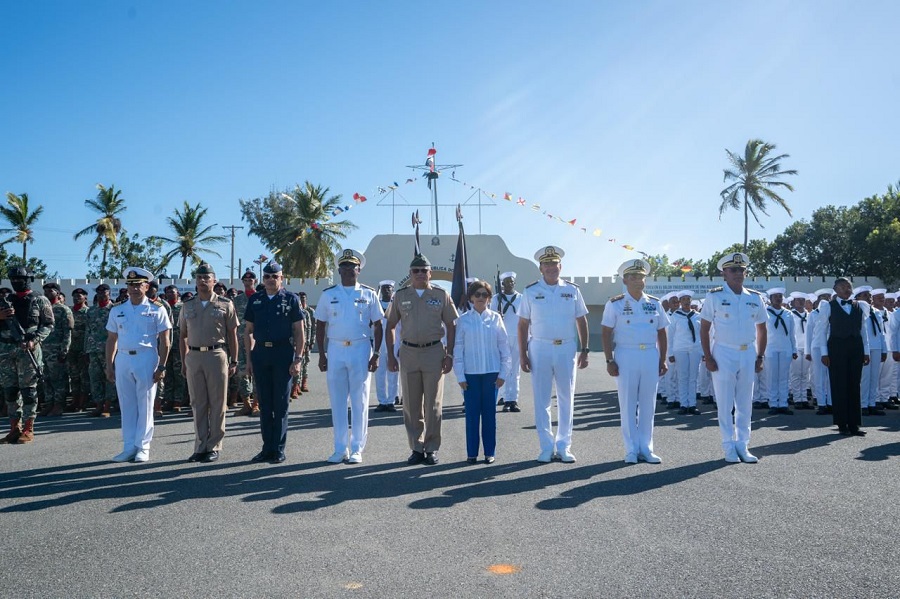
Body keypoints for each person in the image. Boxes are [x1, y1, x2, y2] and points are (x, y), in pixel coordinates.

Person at [385, 254, 459, 466]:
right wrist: (391, 354)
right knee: (411, 404)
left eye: (423, 270)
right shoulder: (400, 296)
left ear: (430, 273)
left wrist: (450, 354)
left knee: (433, 405)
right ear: (410, 274)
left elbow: (451, 326)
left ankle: (432, 448)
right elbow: (390, 325)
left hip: (434, 352)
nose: (419, 274)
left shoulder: (440, 295)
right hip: (408, 353)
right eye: (415, 271)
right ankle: (416, 448)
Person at [519, 246, 590, 463]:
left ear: (561, 266)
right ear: (540, 268)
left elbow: (582, 320)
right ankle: (546, 447)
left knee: (566, 397)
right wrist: (523, 354)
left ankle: (564, 446)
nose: (551, 268)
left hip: (566, 347)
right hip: (539, 347)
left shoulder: (572, 290)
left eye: (554, 264)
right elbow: (522, 325)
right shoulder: (530, 291)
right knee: (542, 399)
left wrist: (585, 349)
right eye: (546, 264)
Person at [315, 249, 383, 464]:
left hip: (360, 349)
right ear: (339, 270)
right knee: (337, 400)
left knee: (360, 400)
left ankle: (357, 448)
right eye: (344, 267)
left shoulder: (368, 294)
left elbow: (378, 325)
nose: (348, 270)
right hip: (335, 349)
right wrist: (322, 354)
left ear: (359, 270)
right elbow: (320, 324)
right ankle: (339, 447)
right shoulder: (328, 294)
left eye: (352, 267)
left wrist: (377, 353)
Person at [699, 252, 767, 463]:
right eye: (733, 270)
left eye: (741, 270)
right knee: (725, 401)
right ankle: (728, 445)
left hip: (748, 352)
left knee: (745, 401)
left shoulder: (754, 297)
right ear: (724, 274)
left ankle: (743, 445)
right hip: (724, 352)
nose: (738, 273)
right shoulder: (715, 296)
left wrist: (760, 355)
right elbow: (704, 329)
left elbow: (762, 329)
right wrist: (708, 356)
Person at [601, 259, 668, 464]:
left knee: (648, 404)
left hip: (649, 354)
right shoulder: (615, 303)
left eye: (641, 276)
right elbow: (606, 332)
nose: (638, 280)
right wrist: (609, 360)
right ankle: (631, 448)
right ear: (625, 280)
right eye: (633, 277)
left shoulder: (654, 303)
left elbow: (662, 332)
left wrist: (662, 359)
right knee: (628, 403)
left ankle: (646, 447)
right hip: (626, 355)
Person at [105, 267, 172, 462]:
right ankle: (128, 446)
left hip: (146, 357)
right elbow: (111, 339)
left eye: (138, 285)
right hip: (123, 358)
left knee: (146, 403)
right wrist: (109, 365)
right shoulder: (117, 310)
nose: (134, 288)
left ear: (147, 286)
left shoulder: (157, 308)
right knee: (127, 405)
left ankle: (143, 447)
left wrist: (162, 366)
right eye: (130, 285)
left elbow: (165, 340)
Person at [243, 261, 305, 464]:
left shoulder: (291, 299)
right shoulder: (256, 300)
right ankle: (266, 448)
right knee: (264, 402)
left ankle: (278, 448)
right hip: (261, 353)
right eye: (267, 276)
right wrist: (250, 360)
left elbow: (299, 332)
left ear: (282, 278)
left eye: (274, 276)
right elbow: (248, 331)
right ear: (263, 278)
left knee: (280, 404)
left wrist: (297, 359)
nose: (270, 279)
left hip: (282, 353)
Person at [179, 264, 239, 463]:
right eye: (199, 277)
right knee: (198, 403)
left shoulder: (225, 304)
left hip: (216, 355)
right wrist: (184, 360)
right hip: (194, 357)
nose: (203, 281)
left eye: (207, 277)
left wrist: (234, 360)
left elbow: (232, 335)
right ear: (195, 281)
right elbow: (182, 336)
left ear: (214, 281)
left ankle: (214, 445)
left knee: (217, 403)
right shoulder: (187, 306)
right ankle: (200, 446)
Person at [454, 281, 510, 464]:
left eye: (484, 295)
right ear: (470, 297)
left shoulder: (495, 318)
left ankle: (489, 452)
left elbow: (504, 348)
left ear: (489, 298)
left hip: (491, 374)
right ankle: (471, 453)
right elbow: (458, 350)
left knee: (489, 415)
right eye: (477, 294)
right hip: (470, 375)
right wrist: (460, 376)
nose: (480, 298)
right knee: (471, 416)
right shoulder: (462, 320)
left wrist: (503, 374)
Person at [0, 267, 54, 445]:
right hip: (7, 351)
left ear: (29, 279)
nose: (16, 281)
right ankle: (14, 428)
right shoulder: (6, 300)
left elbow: (48, 325)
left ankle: (28, 428)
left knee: (28, 391)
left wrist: (35, 340)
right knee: (10, 391)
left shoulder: (40, 299)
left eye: (20, 278)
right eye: (13, 278)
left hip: (28, 350)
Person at [813, 278, 870, 436]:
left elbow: (863, 330)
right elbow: (821, 330)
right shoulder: (828, 306)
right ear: (836, 289)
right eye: (843, 287)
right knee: (839, 385)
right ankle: (841, 423)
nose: (847, 289)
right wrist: (824, 353)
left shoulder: (859, 306)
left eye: (849, 287)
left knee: (854, 385)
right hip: (837, 348)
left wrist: (867, 352)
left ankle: (854, 424)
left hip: (856, 348)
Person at [38, 282, 73, 417]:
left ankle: (58, 405)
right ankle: (49, 403)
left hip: (56, 350)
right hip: (43, 349)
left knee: (58, 378)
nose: (47, 293)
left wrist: (64, 350)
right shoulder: (43, 309)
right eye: (45, 291)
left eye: (50, 290)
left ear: (58, 293)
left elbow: (67, 332)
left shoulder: (64, 310)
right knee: (45, 378)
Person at [493, 271, 523, 412]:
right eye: (506, 282)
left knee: (515, 369)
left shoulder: (521, 298)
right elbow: (492, 319)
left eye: (511, 281)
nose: (509, 284)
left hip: (517, 336)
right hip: (501, 337)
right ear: (502, 284)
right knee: (503, 368)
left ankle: (513, 399)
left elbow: (526, 319)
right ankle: (504, 396)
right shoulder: (496, 299)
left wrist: (527, 338)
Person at [85, 284, 117, 417]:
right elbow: (88, 331)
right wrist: (85, 349)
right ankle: (98, 405)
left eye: (104, 291)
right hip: (93, 350)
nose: (102, 294)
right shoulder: (91, 311)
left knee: (109, 377)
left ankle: (108, 406)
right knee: (95, 377)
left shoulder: (115, 309)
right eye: (99, 292)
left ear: (109, 293)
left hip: (109, 350)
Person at [668, 290, 702, 415]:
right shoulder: (675, 316)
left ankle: (692, 404)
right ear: (680, 302)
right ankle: (683, 404)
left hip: (695, 349)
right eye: (684, 299)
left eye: (688, 299)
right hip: (680, 349)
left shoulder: (697, 315)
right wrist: (670, 353)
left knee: (693, 377)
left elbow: (702, 335)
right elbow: (670, 336)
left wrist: (703, 351)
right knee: (682, 377)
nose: (687, 302)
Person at [764, 287, 797, 415]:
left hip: (785, 348)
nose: (778, 298)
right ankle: (773, 403)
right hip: (770, 348)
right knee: (772, 377)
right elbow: (760, 332)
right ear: (771, 299)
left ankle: (783, 403)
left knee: (784, 377)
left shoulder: (788, 313)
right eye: (775, 296)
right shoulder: (766, 312)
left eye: (780, 296)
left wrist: (794, 349)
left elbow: (792, 334)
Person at [231, 269, 259, 416]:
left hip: (257, 340)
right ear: (242, 282)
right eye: (246, 280)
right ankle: (246, 403)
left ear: (255, 281)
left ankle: (256, 403)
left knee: (256, 371)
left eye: (251, 280)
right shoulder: (236, 300)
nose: (248, 283)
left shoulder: (260, 298)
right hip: (239, 340)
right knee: (241, 372)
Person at [373, 280, 400, 412]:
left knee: (393, 372)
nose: (387, 290)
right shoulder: (376, 305)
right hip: (379, 345)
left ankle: (391, 401)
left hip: (394, 343)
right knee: (379, 373)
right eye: (384, 288)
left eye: (389, 288)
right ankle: (382, 401)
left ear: (393, 290)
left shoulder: (396, 306)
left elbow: (401, 327)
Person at [67, 287, 91, 412]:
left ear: (85, 297)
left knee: (84, 377)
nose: (77, 298)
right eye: (75, 296)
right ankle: (74, 401)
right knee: (74, 376)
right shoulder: (69, 311)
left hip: (83, 349)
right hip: (71, 349)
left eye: (80, 296)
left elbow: (90, 332)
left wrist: (87, 350)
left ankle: (82, 403)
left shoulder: (88, 312)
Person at [788, 291, 812, 410]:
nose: (801, 302)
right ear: (793, 302)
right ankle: (797, 398)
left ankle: (804, 399)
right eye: (798, 300)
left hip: (807, 348)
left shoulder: (809, 315)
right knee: (796, 374)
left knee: (805, 374)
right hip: (796, 347)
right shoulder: (790, 315)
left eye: (803, 300)